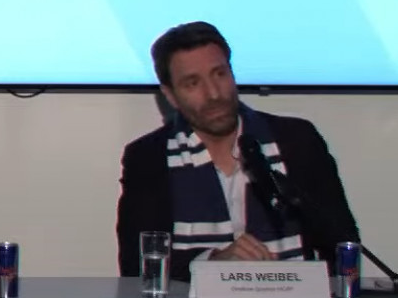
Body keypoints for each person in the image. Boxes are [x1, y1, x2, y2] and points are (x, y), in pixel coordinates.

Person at [117, 21, 360, 283]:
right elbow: (138, 267)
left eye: (220, 74)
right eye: (192, 83)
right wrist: (213, 265)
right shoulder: (148, 158)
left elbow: (342, 245)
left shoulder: (296, 141)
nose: (213, 94)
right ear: (171, 96)